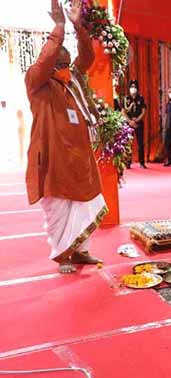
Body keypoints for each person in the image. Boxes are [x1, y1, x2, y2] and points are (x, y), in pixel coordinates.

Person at [25, 0, 107, 274]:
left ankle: (80, 251)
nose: (64, 62)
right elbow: (46, 60)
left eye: (66, 59)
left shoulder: (73, 81)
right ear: (48, 59)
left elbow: (88, 57)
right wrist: (58, 27)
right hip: (53, 159)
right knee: (60, 209)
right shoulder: (37, 82)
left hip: (79, 157)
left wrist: (78, 27)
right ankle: (62, 255)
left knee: (85, 204)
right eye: (58, 59)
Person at [122, 80, 147, 169]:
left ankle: (142, 162)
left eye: (135, 87)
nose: (133, 89)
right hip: (128, 124)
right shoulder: (126, 98)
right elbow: (123, 112)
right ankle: (128, 162)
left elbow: (144, 111)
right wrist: (130, 121)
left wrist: (137, 121)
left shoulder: (141, 98)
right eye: (132, 87)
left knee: (140, 143)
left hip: (139, 123)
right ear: (129, 88)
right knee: (128, 143)